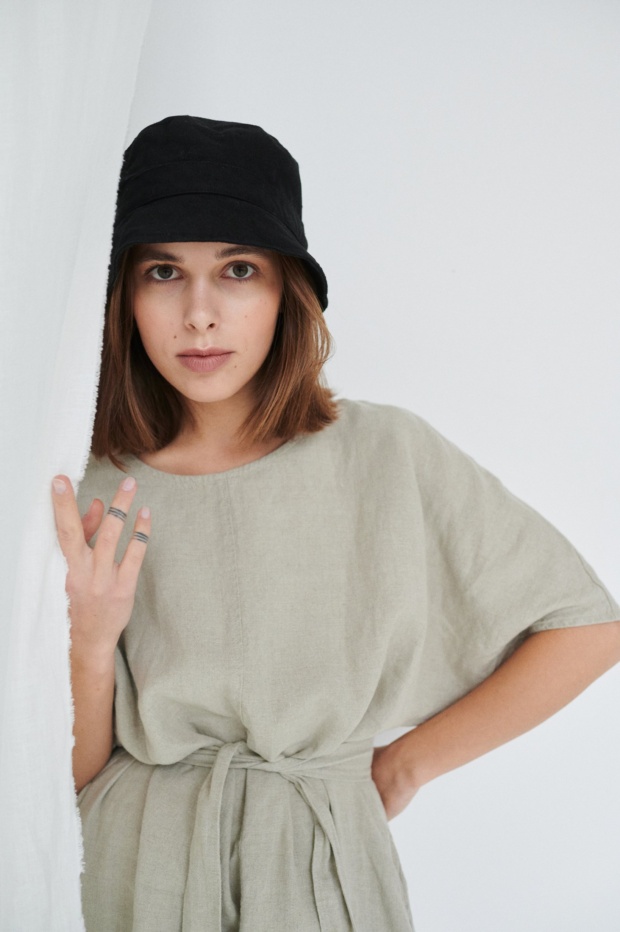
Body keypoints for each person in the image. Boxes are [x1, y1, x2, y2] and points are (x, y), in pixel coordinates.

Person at [50, 115, 620, 932]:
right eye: (164, 272)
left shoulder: (383, 452)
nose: (200, 314)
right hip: (132, 867)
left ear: (287, 290)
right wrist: (91, 642)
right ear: (125, 296)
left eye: (238, 269)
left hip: (321, 859)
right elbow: (69, 780)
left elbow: (587, 626)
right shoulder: (94, 483)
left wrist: (403, 767)